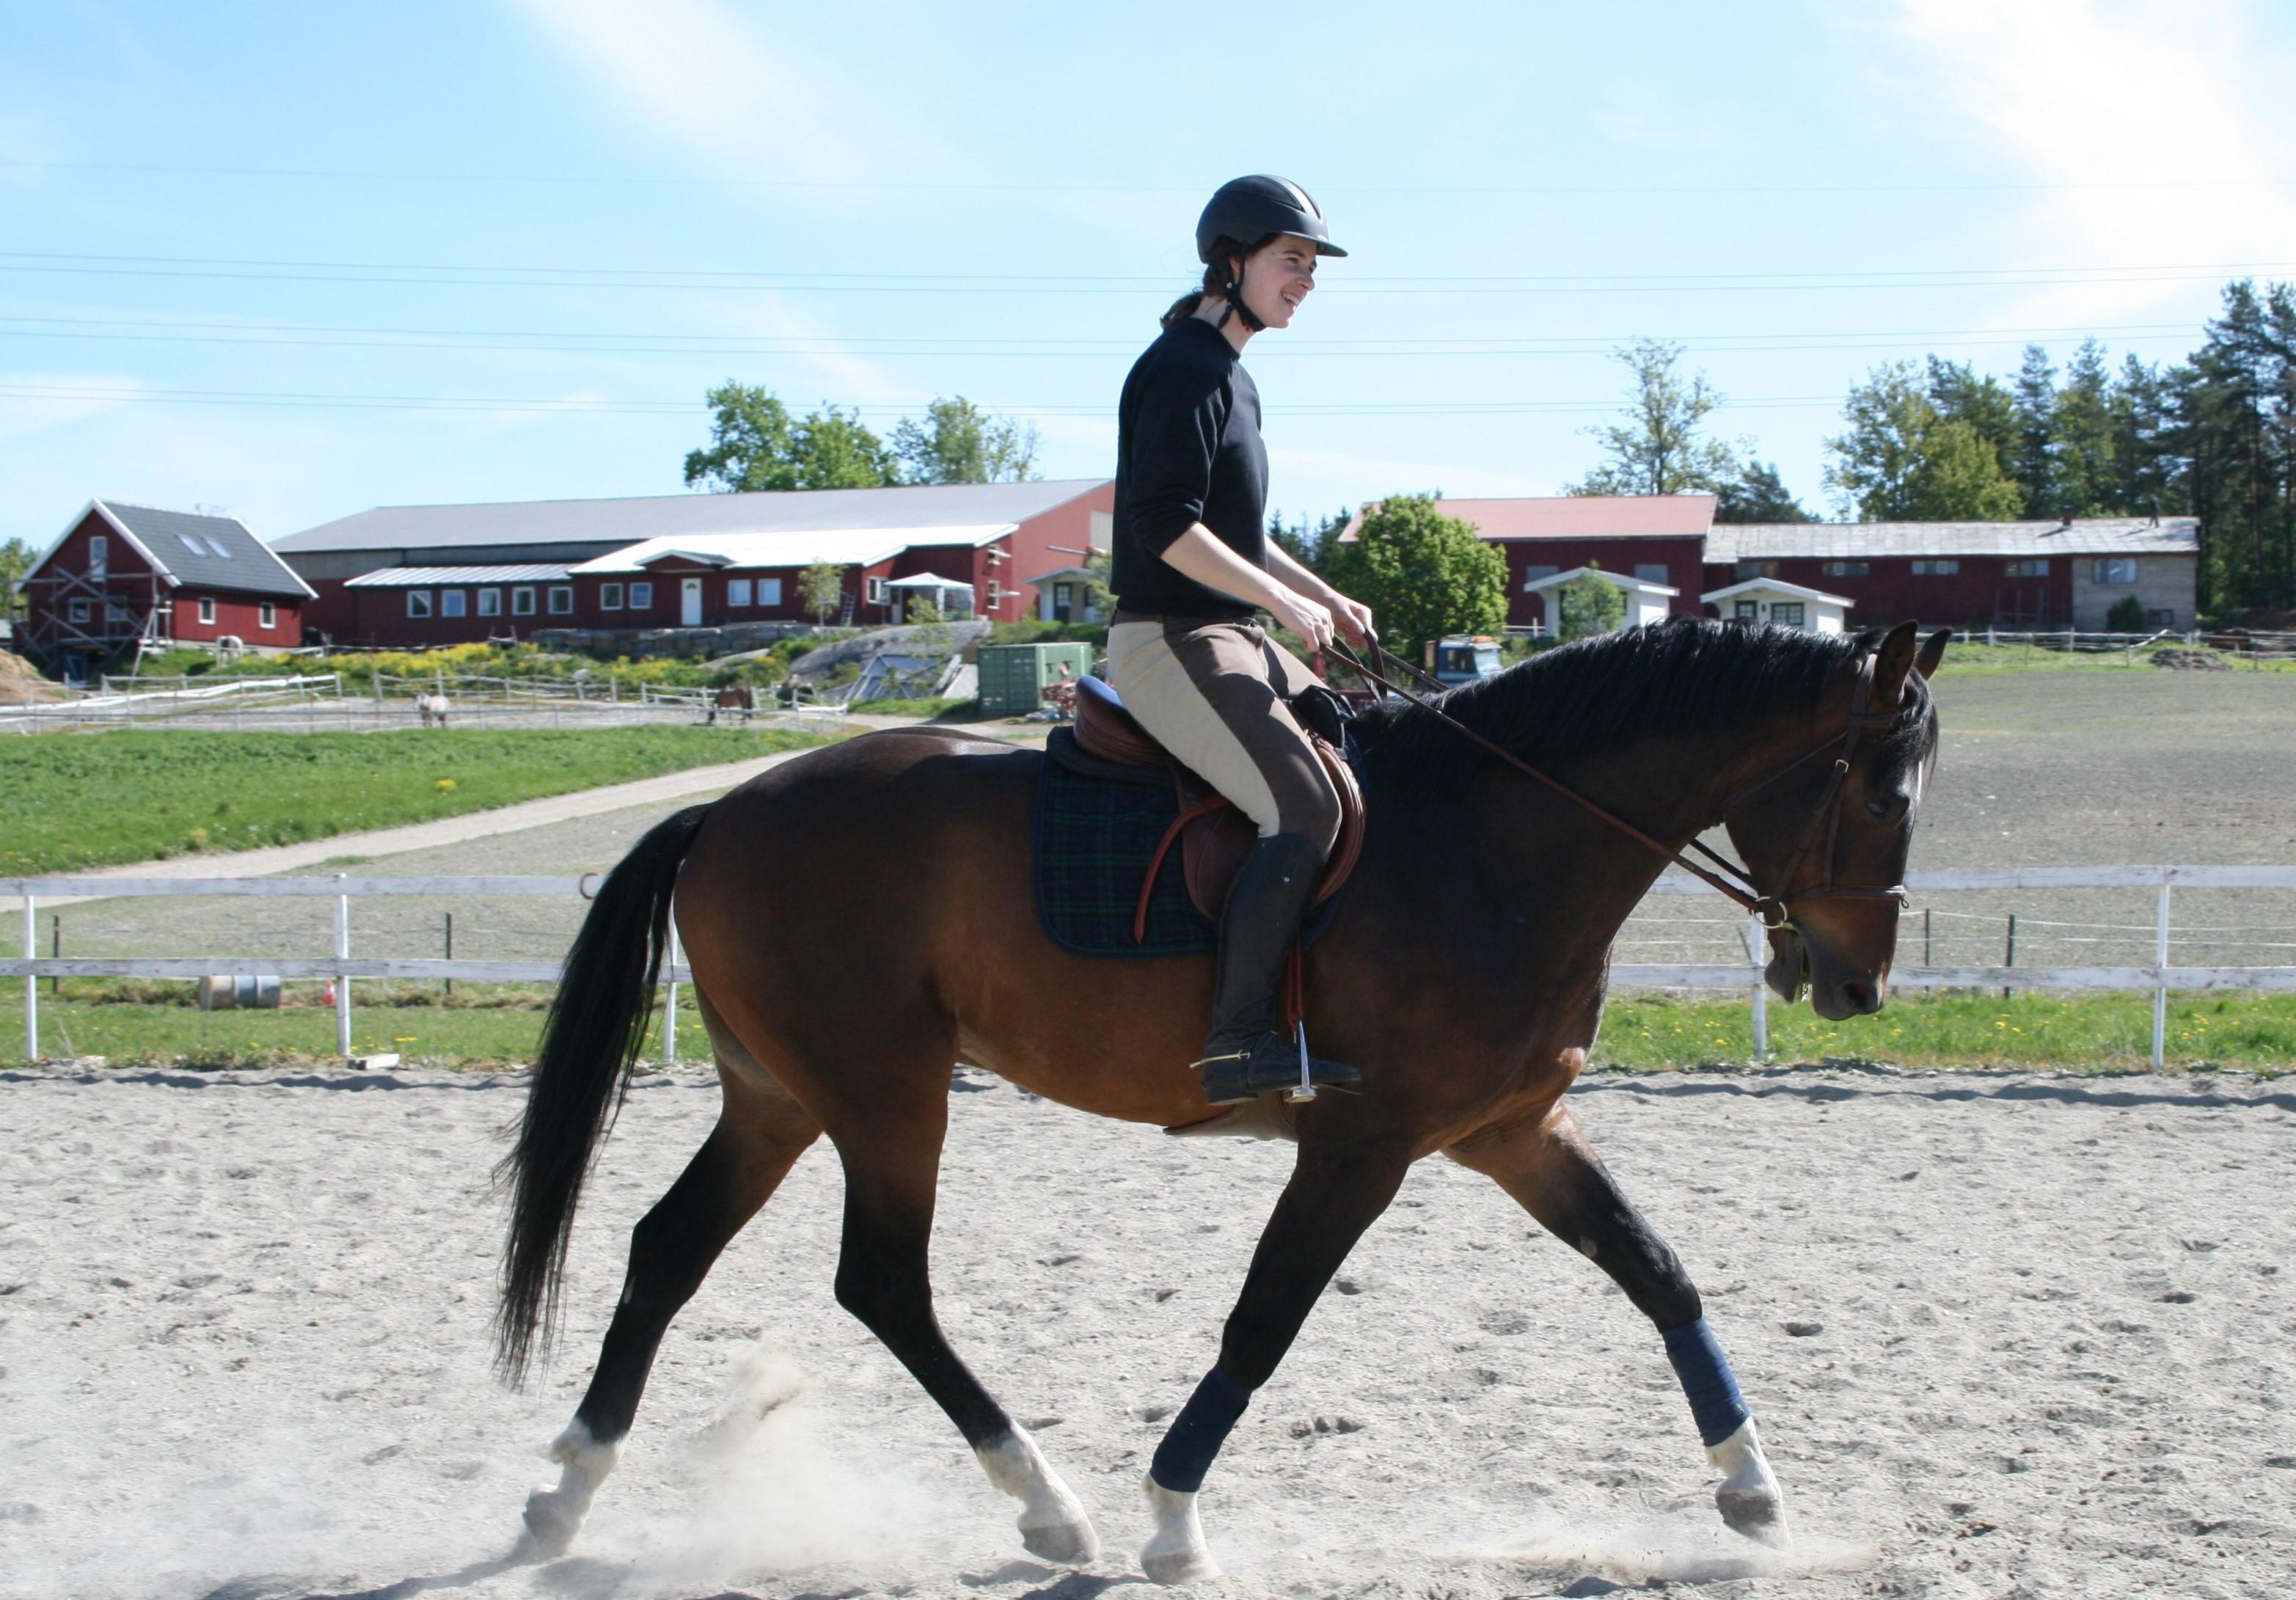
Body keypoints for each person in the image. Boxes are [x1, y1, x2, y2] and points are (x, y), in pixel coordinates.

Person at [1105, 175, 1378, 1106]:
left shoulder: (1232, 376)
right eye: (1291, 260)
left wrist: (1323, 594)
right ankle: (1236, 1043)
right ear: (1232, 262)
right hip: (1167, 639)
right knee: (1304, 810)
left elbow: (1238, 530)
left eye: (1310, 265)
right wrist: (1278, 603)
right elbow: (1164, 523)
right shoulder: (1182, 365)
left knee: (1366, 746)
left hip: (1227, 631)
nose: (1306, 281)